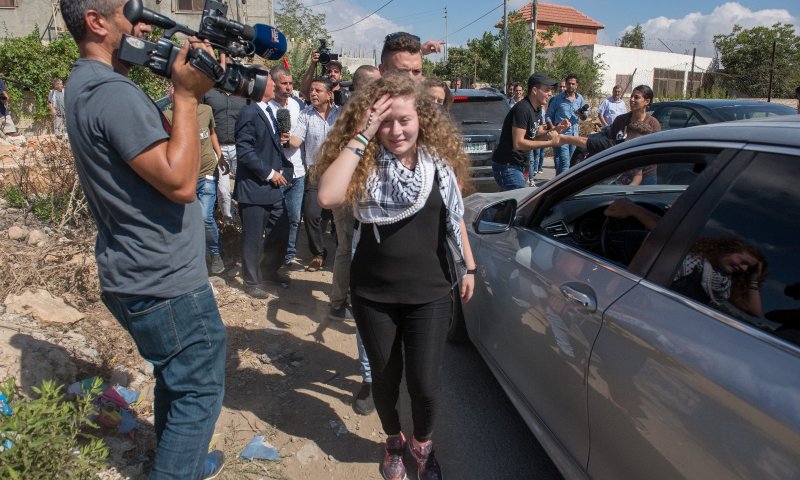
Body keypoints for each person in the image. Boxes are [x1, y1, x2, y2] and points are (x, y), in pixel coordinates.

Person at [60, 0, 226, 477]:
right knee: (199, 391)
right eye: (128, 14)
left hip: (134, 270)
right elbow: (179, 182)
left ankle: (186, 462)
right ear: (96, 22)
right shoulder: (111, 93)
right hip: (164, 279)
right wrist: (187, 96)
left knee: (176, 380)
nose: (140, 24)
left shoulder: (86, 85)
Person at [316, 74, 476, 480]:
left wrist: (468, 266)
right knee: (386, 380)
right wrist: (364, 132)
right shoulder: (364, 162)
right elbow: (328, 195)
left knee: (424, 384)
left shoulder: (438, 163)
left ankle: (422, 446)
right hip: (374, 293)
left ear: (421, 118)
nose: (396, 130)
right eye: (385, 122)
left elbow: (453, 220)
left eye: (403, 119)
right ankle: (393, 441)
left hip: (432, 291)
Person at [329, 64, 381, 417]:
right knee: (350, 258)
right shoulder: (349, 121)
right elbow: (335, 176)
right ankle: (369, 379)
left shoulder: (405, 114)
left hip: (400, 232)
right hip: (357, 213)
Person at [235, 69, 294, 298]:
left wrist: (282, 169)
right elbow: (245, 151)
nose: (274, 85)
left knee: (281, 232)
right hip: (254, 188)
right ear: (261, 85)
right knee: (252, 237)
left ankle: (268, 271)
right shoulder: (249, 112)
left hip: (272, 189)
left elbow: (270, 147)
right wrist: (270, 173)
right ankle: (251, 281)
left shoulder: (270, 112)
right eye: (271, 82)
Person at [164, 85, 227, 275]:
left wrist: (220, 155)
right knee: (187, 220)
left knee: (205, 216)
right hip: (184, 175)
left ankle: (215, 254)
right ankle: (193, 259)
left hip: (207, 170)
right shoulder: (167, 116)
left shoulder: (206, 110)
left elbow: (212, 132)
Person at [286, 76, 340, 272]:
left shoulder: (341, 114)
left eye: (318, 90)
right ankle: (319, 253)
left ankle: (344, 254)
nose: (313, 93)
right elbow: (296, 141)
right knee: (310, 214)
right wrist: (283, 136)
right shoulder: (305, 114)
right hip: (315, 171)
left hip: (339, 172)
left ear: (329, 94)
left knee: (338, 216)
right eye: (312, 90)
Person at [491, 72, 567, 191]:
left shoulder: (537, 109)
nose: (550, 94)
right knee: (517, 203)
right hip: (507, 166)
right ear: (535, 90)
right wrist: (550, 143)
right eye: (547, 90)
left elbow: (535, 136)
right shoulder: (523, 109)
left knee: (508, 205)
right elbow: (519, 143)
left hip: (520, 166)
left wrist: (556, 129)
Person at [266, 65, 306, 266]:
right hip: (276, 172)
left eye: (291, 83)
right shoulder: (265, 107)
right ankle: (272, 256)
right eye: (284, 83)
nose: (289, 87)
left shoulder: (298, 105)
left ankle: (289, 254)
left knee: (294, 218)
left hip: (297, 171)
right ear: (274, 84)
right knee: (276, 218)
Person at [201, 60, 248, 226]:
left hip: (240, 147)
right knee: (223, 189)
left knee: (244, 186)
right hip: (217, 147)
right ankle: (228, 221)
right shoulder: (208, 93)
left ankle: (244, 218)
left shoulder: (243, 94)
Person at [672, 237, 767, 317]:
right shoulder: (686, 252)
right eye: (744, 262)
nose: (744, 269)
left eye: (748, 268)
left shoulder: (724, 284)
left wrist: (753, 279)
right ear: (728, 249)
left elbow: (755, 311)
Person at [609, 84, 661, 184]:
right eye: (631, 96)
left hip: (646, 176)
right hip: (622, 175)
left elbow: (655, 152)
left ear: (647, 101)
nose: (632, 100)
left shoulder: (653, 124)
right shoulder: (620, 120)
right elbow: (610, 144)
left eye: (636, 97)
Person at [546, 73, 587, 175]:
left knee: (570, 163)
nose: (571, 86)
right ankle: (561, 186)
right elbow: (548, 115)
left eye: (573, 84)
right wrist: (553, 129)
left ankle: (557, 182)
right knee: (564, 162)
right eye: (569, 84)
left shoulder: (580, 98)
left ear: (577, 85)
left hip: (574, 135)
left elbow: (584, 117)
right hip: (562, 135)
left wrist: (582, 115)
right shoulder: (558, 99)